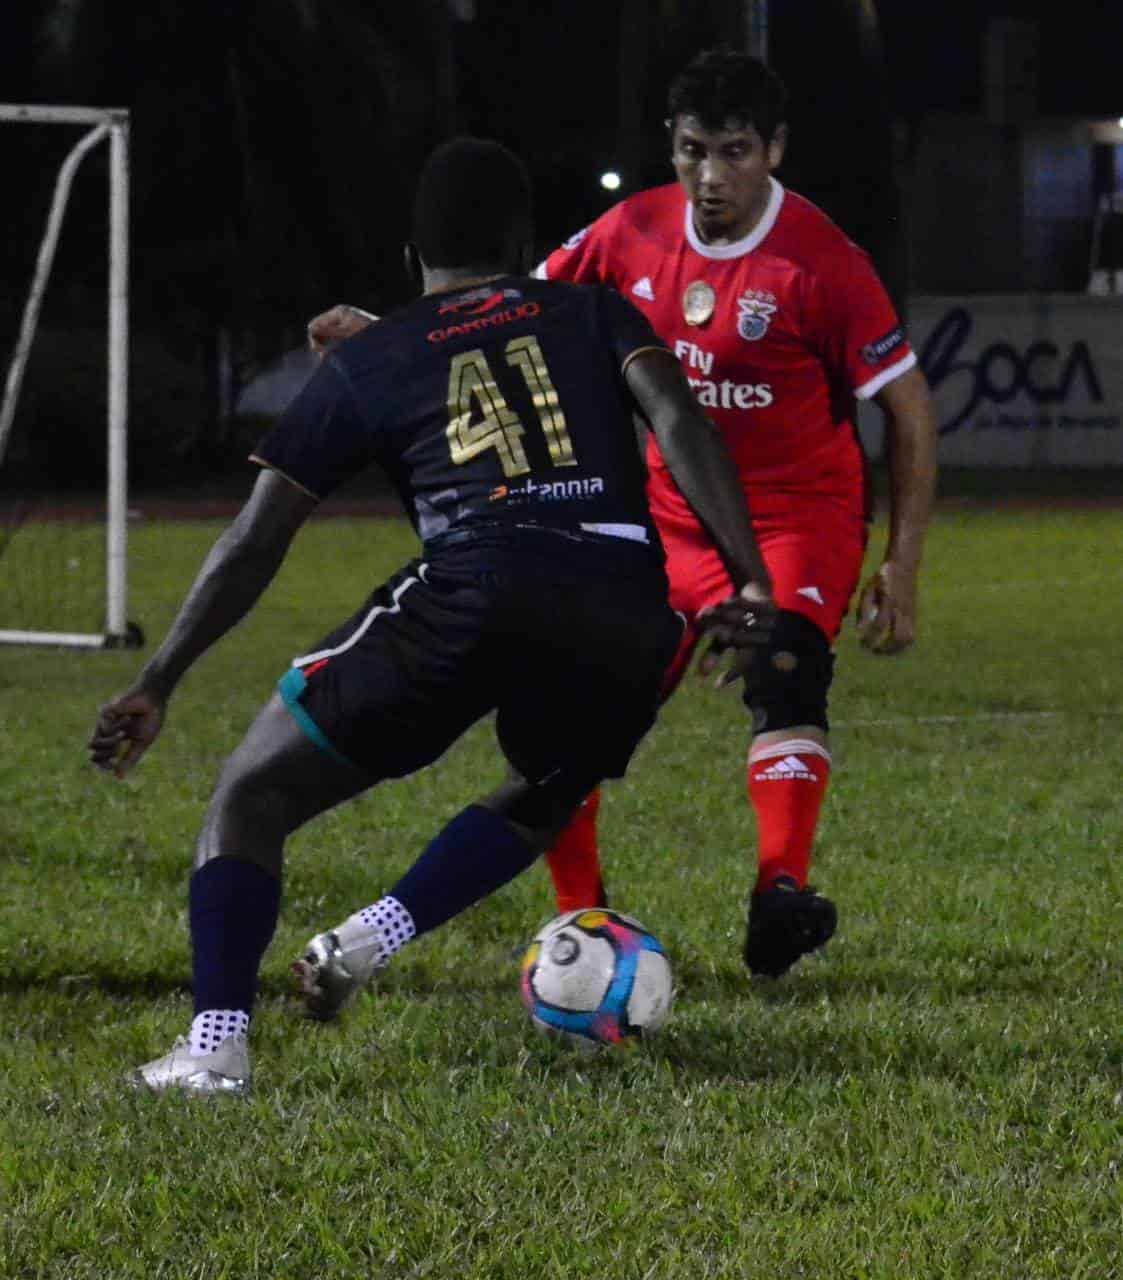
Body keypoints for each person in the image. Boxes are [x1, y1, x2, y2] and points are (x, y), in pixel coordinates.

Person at [89, 136, 775, 1094]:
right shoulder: (589, 308)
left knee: (250, 794)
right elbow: (676, 417)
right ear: (524, 242)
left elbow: (256, 540)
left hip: (475, 589)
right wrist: (749, 582)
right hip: (624, 605)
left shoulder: (372, 356)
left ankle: (213, 1052)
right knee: (545, 788)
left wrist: (158, 678)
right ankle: (369, 939)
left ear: (413, 256)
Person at [307, 51, 939, 981]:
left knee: (785, 668)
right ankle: (582, 924)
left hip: (795, 514)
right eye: (692, 152)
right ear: (670, 148)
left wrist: (902, 563)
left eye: (734, 152)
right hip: (661, 520)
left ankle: (779, 894)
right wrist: (387, 331)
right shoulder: (629, 230)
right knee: (578, 716)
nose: (711, 177)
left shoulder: (824, 263)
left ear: (774, 150)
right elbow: (503, 308)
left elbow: (910, 407)